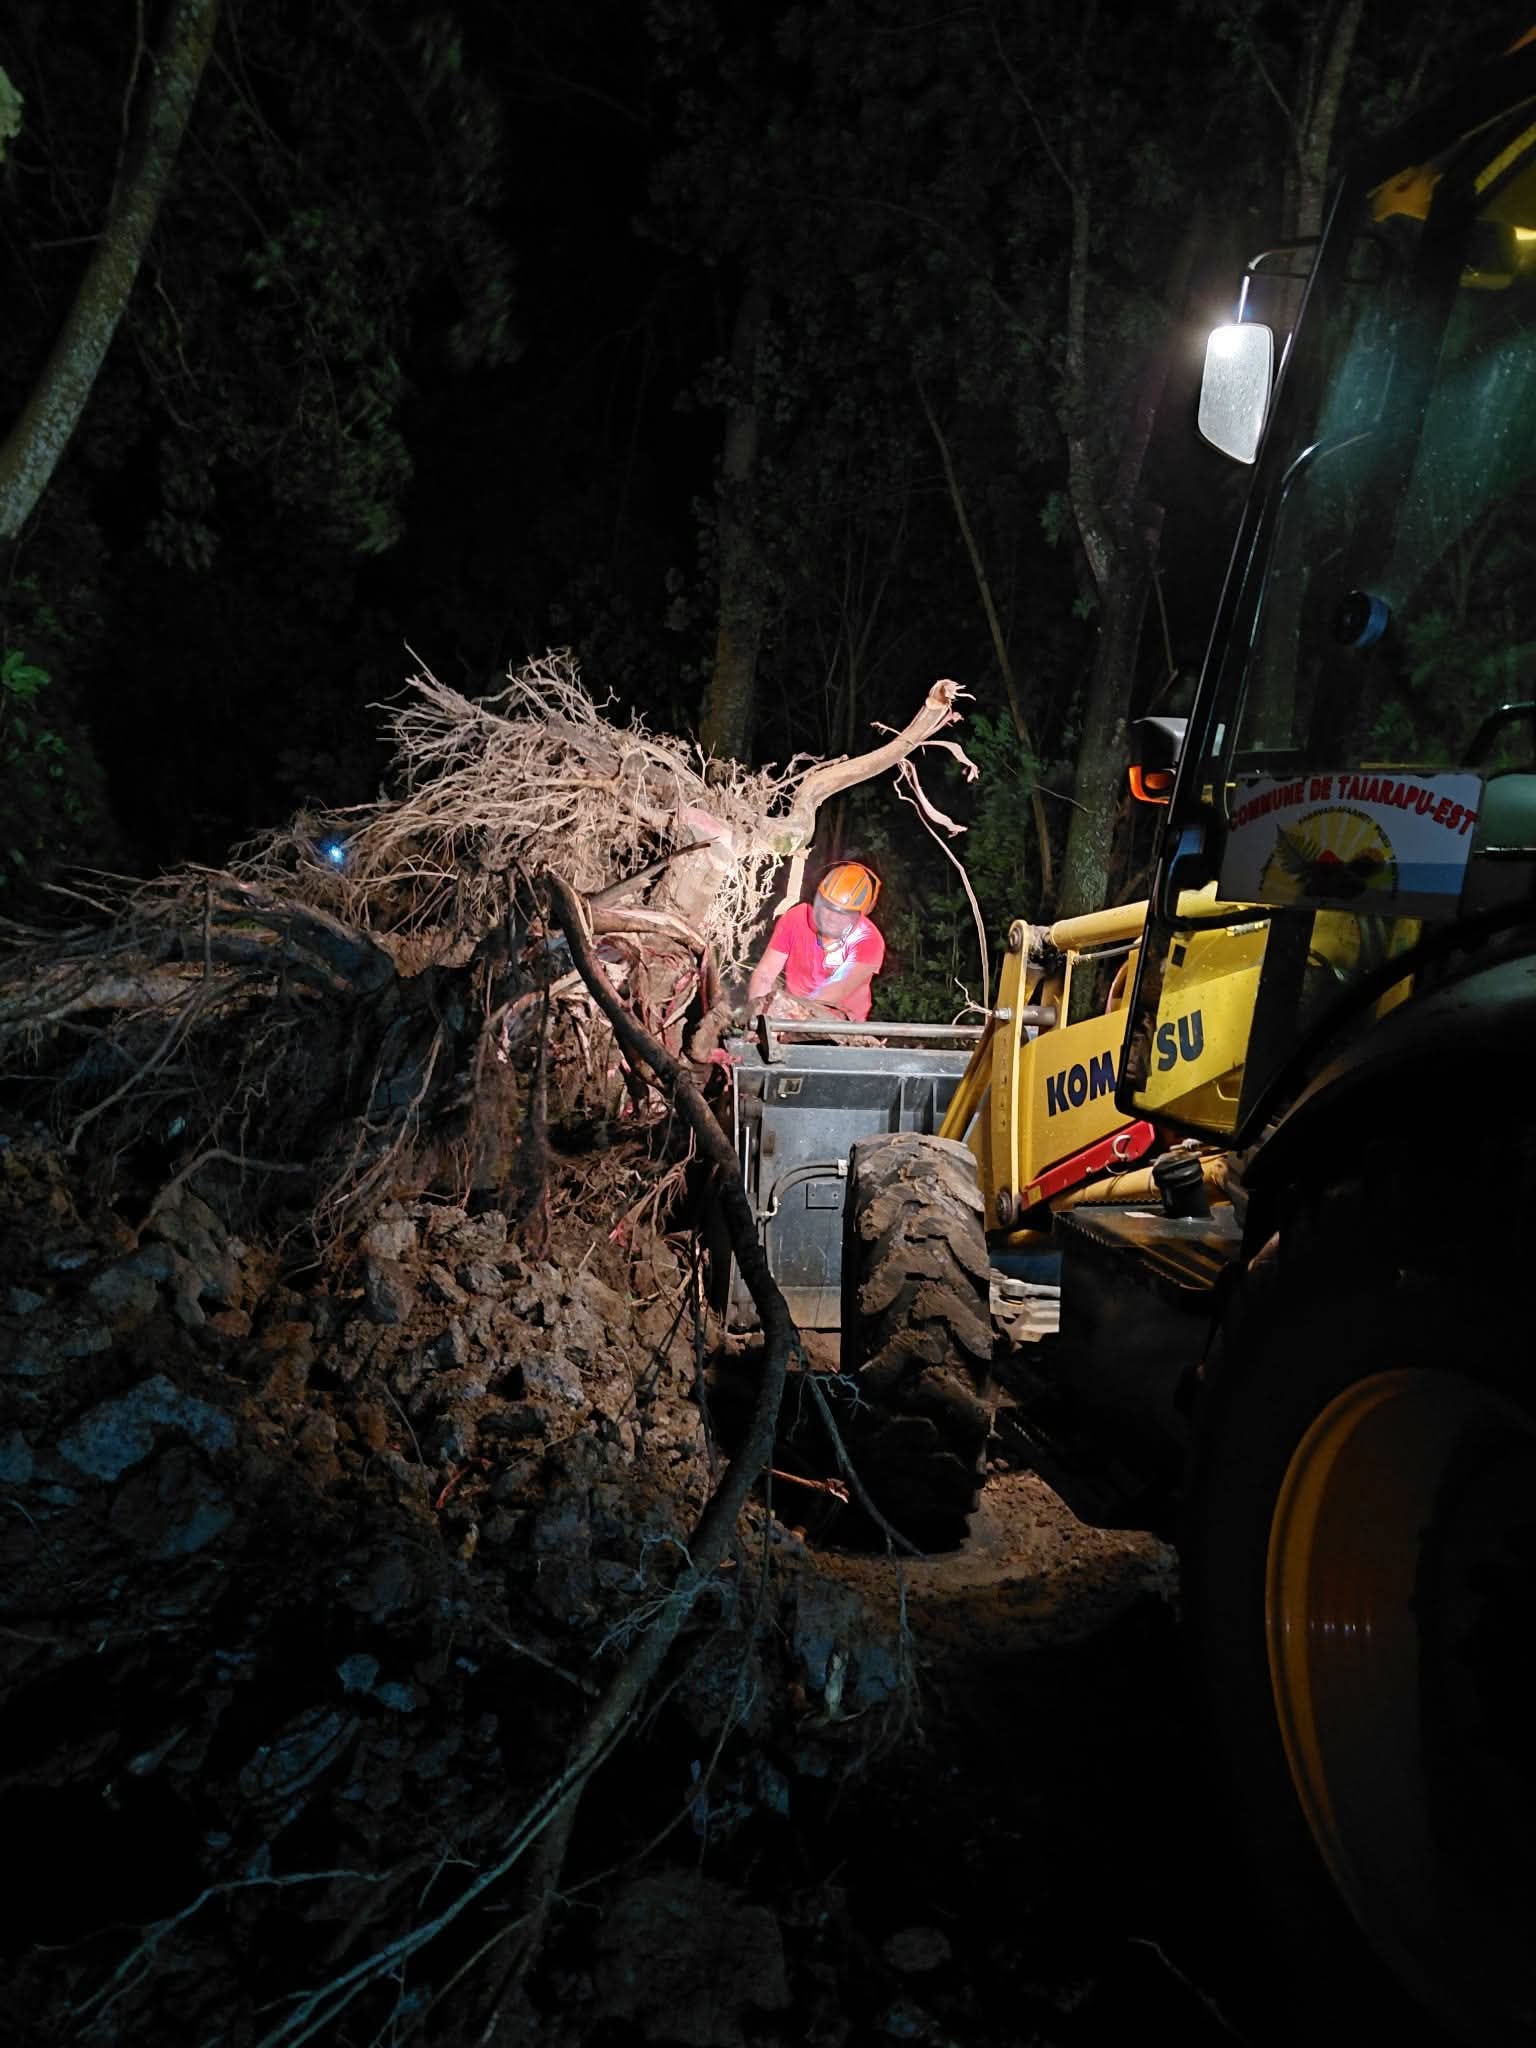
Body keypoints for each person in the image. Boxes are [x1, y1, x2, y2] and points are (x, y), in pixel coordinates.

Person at [746, 861, 886, 1022]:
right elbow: (765, 973)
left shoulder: (869, 940)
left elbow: (837, 989)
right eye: (827, 907)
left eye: (842, 913)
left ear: (859, 915)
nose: (832, 917)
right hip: (792, 1011)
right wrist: (758, 1018)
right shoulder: (796, 918)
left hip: (841, 1022)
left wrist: (791, 1017)